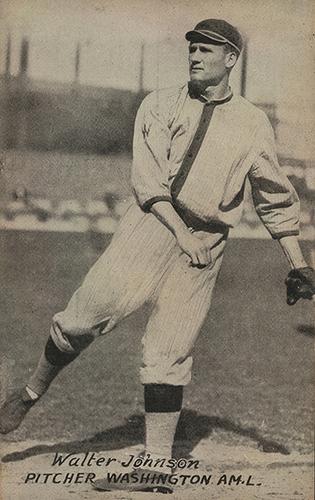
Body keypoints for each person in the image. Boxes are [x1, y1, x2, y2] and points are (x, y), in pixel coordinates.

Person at [1, 18, 314, 493]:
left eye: (208, 50)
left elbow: (273, 196)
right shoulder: (160, 104)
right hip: (147, 230)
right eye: (192, 48)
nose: (195, 55)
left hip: (206, 244)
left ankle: (156, 465)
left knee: (169, 351)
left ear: (232, 59)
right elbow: (148, 182)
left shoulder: (252, 123)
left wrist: (299, 263)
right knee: (81, 320)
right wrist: (178, 233)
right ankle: (28, 394)